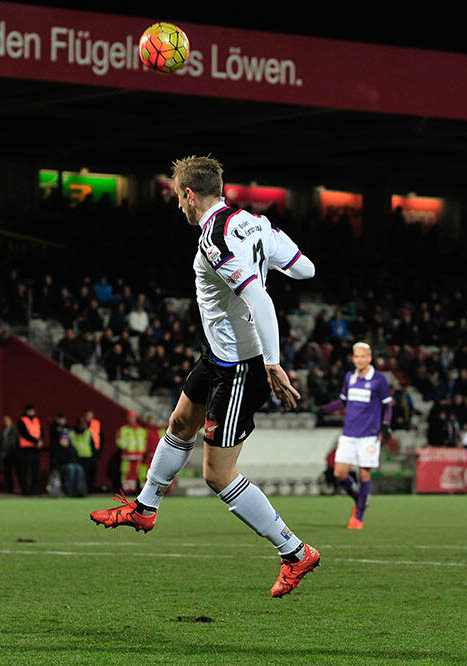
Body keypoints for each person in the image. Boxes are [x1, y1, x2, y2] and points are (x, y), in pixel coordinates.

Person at [90, 155, 319, 598]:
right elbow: (304, 267)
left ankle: (294, 552)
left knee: (217, 475)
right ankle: (145, 507)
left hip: (240, 367)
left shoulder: (214, 240)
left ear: (189, 195)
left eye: (178, 197)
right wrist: (266, 259)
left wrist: (272, 362)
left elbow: (259, 301)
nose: (178, 205)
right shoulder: (256, 224)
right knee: (178, 423)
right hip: (216, 356)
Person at [320, 342, 393, 530]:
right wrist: (324, 409)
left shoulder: (379, 379)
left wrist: (386, 425)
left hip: (369, 435)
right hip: (349, 434)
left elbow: (387, 405)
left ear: (369, 358)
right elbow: (343, 401)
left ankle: (358, 517)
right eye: (356, 356)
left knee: (364, 473)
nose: (359, 359)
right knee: (339, 473)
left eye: (363, 356)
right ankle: (360, 498)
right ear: (353, 358)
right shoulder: (349, 377)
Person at [115, 411, 147, 493]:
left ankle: (135, 490)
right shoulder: (123, 429)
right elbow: (118, 440)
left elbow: (145, 441)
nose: (132, 419)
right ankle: (126, 490)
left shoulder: (141, 430)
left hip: (139, 455)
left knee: (138, 473)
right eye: (130, 417)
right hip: (127, 455)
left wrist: (144, 451)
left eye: (133, 417)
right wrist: (126, 447)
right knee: (126, 472)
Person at [16, 404, 43, 495]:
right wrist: (36, 441)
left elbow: (41, 431)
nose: (32, 413)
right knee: (25, 470)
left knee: (36, 470)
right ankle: (25, 490)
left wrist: (40, 441)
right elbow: (24, 434)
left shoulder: (36, 420)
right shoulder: (22, 420)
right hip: (25, 449)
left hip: (36, 449)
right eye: (30, 411)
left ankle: (35, 489)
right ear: (27, 411)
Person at [56, 429, 87, 497]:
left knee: (79, 468)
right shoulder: (58, 449)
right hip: (63, 466)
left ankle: (80, 491)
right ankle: (70, 491)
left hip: (72, 465)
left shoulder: (72, 448)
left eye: (65, 439)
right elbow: (59, 460)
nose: (64, 441)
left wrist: (72, 462)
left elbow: (76, 457)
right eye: (62, 439)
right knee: (71, 468)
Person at [0, 415, 20, 494]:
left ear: (11, 421)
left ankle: (20, 487)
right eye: (4, 421)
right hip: (5, 455)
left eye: (7, 420)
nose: (6, 422)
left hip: (13, 454)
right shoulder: (3, 430)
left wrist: (6, 451)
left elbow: (11, 442)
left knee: (17, 471)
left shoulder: (14, 430)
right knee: (7, 472)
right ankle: (9, 488)